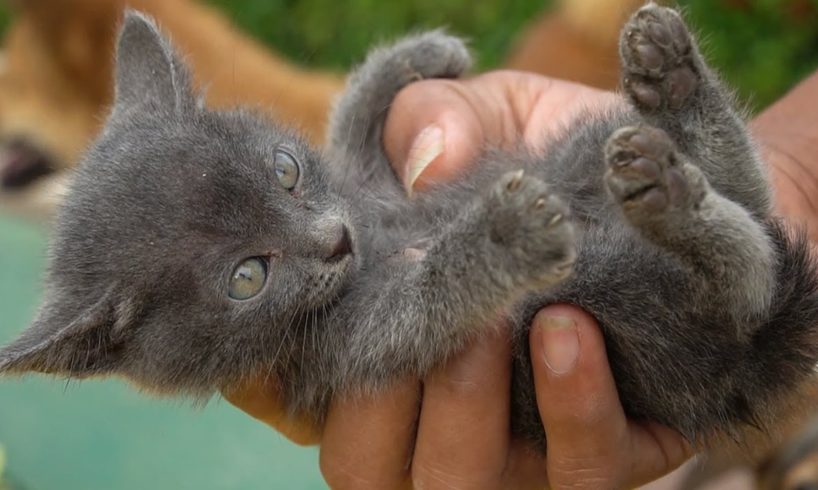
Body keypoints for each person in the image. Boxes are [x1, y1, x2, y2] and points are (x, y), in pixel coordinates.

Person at [225, 69, 818, 489]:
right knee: (570, 303)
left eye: (282, 174)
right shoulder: (311, 343)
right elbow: (407, 312)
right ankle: (732, 260)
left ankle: (727, 194)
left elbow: (360, 174)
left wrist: (371, 100)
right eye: (248, 274)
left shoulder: (324, 230)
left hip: (628, 243)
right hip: (662, 332)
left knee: (599, 146)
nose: (326, 235)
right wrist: (481, 252)